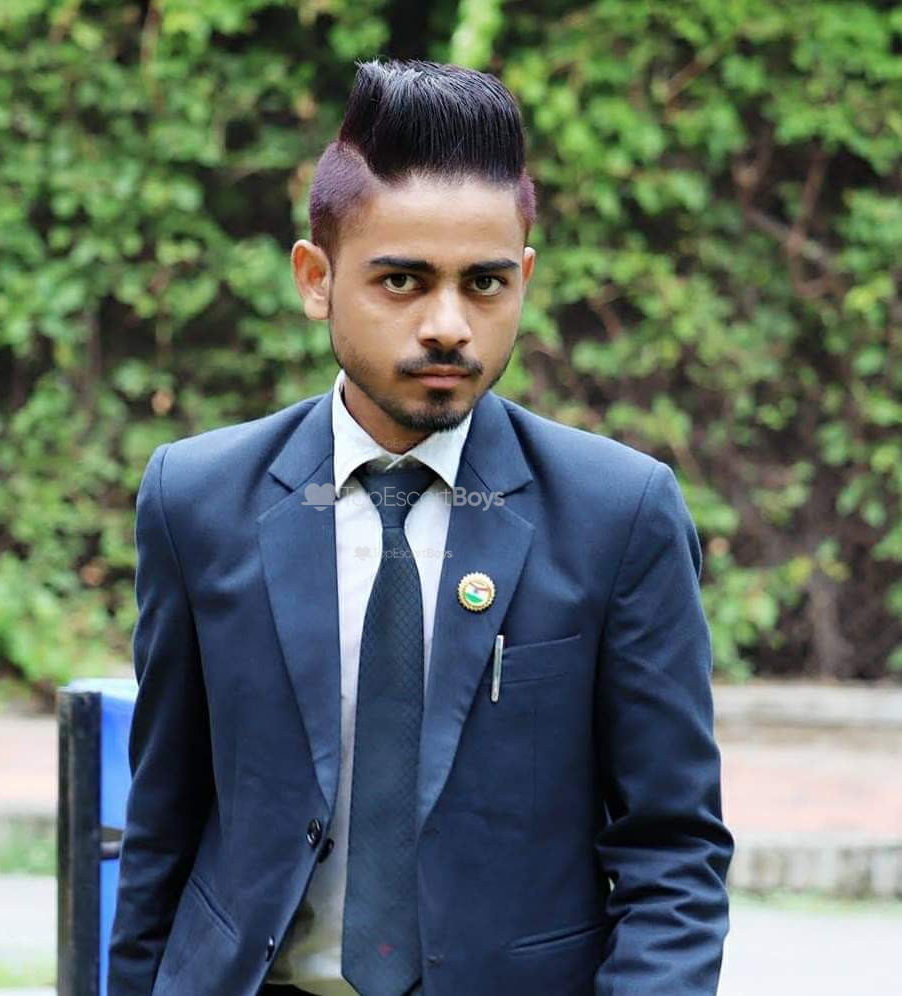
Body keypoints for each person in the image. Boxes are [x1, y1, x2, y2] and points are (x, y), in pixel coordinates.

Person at [107, 58, 733, 996]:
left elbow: (673, 853)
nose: (449, 325)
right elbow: (162, 824)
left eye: (484, 284)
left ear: (524, 279)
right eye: (402, 281)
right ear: (316, 278)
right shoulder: (196, 499)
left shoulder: (618, 514)